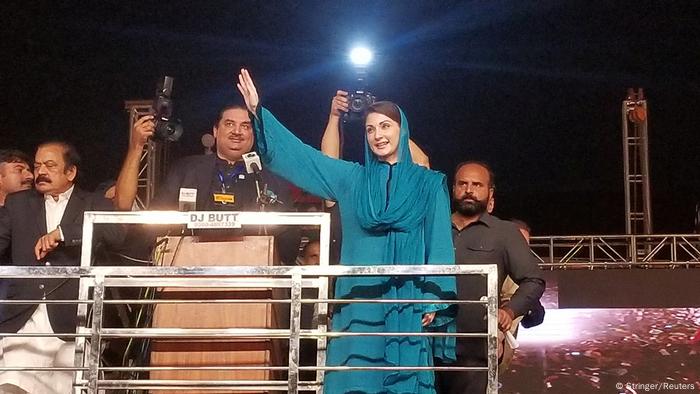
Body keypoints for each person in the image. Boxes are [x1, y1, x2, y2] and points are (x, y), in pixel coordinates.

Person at [236, 68, 456, 393]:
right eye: (369, 129)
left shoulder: (429, 184)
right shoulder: (352, 179)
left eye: (385, 126)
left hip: (407, 302)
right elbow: (305, 159)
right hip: (359, 300)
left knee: (405, 380)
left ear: (402, 130)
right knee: (355, 378)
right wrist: (259, 112)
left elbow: (438, 244)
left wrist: (431, 299)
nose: (377, 135)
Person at [0, 141, 124, 394]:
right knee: (10, 387)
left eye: (50, 165)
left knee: (73, 386)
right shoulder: (18, 203)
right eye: (37, 166)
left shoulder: (93, 202)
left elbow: (116, 233)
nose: (40, 172)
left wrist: (64, 233)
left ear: (71, 172)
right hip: (24, 324)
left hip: (74, 324)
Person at [114, 104, 299, 263]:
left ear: (254, 134)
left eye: (246, 126)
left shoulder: (270, 178)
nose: (237, 131)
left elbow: (289, 243)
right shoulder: (186, 170)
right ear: (215, 131)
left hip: (253, 280)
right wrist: (136, 147)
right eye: (229, 124)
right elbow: (151, 224)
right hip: (187, 276)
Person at [435, 161, 545, 394]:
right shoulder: (435, 227)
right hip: (426, 348)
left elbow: (533, 280)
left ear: (490, 192)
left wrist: (510, 311)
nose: (469, 190)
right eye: (462, 184)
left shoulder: (505, 233)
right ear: (453, 188)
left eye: (477, 185)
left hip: (475, 355)